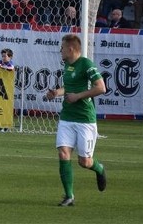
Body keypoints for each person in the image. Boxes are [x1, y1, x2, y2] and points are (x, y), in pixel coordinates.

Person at [44, 34, 107, 207]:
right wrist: (57, 92)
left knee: (84, 162)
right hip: (67, 117)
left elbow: (101, 87)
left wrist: (78, 96)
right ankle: (69, 196)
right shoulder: (67, 65)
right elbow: (69, 89)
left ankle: (100, 169)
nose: (60, 51)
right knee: (63, 153)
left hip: (85, 119)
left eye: (62, 48)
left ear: (70, 49)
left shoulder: (86, 64)